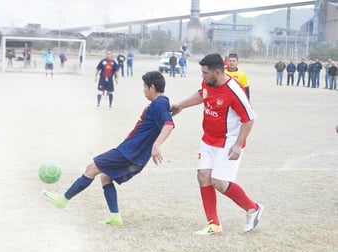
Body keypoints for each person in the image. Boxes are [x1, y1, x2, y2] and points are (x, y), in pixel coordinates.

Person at [42, 71, 175, 226]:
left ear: (152, 87)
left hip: (129, 153)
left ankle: (63, 199)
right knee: (105, 177)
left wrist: (157, 145)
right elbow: (163, 118)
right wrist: (173, 108)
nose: (143, 90)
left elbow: (168, 124)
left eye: (145, 87)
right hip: (135, 156)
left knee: (91, 168)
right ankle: (115, 217)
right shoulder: (161, 104)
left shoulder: (159, 103)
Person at [170, 54, 263, 235]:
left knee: (219, 182)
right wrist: (181, 105)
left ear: (218, 72)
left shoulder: (234, 91)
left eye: (205, 73)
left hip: (228, 142)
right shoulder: (209, 83)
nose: (202, 77)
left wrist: (238, 144)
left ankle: (253, 208)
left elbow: (249, 119)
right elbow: (202, 94)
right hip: (208, 139)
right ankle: (214, 225)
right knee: (203, 176)